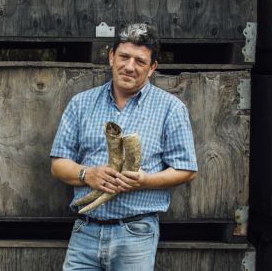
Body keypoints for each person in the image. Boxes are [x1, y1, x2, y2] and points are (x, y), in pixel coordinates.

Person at [50, 23, 198, 270]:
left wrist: (144, 180)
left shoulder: (170, 109)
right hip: (86, 228)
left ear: (152, 68)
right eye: (124, 57)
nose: (129, 67)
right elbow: (58, 164)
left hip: (136, 232)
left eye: (140, 61)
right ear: (111, 57)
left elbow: (186, 169)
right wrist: (88, 174)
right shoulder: (81, 103)